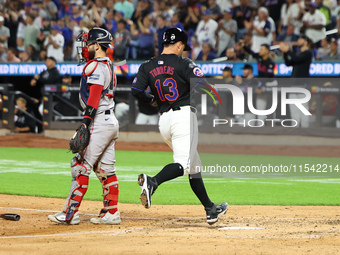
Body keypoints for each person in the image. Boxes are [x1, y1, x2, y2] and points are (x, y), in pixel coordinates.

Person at [131, 28, 228, 225]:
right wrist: (220, 105)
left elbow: (136, 89)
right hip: (183, 117)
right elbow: (203, 85)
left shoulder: (147, 65)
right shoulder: (184, 63)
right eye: (183, 46)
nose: (183, 49)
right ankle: (153, 182)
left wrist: (153, 101)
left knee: (194, 166)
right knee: (184, 164)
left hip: (164, 122)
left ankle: (210, 209)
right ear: (179, 45)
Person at [48, 27, 121, 225]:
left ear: (97, 46)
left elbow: (94, 97)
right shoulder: (109, 65)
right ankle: (111, 212)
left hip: (99, 120)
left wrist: (85, 124)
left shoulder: (96, 66)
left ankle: (70, 214)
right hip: (110, 121)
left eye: (88, 44)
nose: (85, 47)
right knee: (106, 170)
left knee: (80, 167)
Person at [280, 35, 313, 127]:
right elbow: (288, 63)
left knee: (303, 109)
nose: (298, 41)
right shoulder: (298, 54)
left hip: (303, 85)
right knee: (294, 110)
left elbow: (297, 59)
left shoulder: (308, 53)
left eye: (300, 40)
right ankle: (295, 131)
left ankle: (305, 131)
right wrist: (285, 53)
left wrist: (288, 51)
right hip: (294, 84)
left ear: (306, 42)